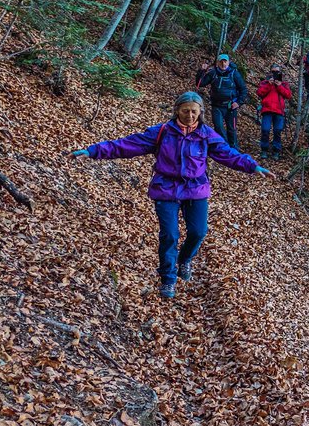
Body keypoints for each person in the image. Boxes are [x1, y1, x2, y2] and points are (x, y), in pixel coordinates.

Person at [68, 92, 275, 298]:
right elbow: (128, 144)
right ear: (177, 110)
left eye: (194, 112)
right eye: (186, 111)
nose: (190, 115)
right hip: (166, 188)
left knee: (199, 232)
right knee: (170, 235)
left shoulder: (206, 135)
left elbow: (229, 154)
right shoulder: (163, 132)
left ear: (200, 112)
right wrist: (93, 151)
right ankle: (168, 278)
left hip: (195, 189)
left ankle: (184, 260)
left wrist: (253, 166)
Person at [198, 53, 247, 148]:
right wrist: (202, 71)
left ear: (228, 62)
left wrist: (238, 102)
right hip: (216, 106)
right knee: (218, 127)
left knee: (231, 129)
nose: (223, 64)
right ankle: (225, 147)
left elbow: (243, 90)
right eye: (221, 62)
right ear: (217, 63)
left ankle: (234, 149)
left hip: (231, 106)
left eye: (225, 61)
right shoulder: (213, 73)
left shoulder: (234, 74)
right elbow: (200, 83)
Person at [257, 64, 292, 160]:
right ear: (270, 72)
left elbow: (288, 95)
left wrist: (279, 86)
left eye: (277, 72)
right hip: (267, 110)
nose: (275, 73)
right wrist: (269, 84)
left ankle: (276, 151)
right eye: (273, 71)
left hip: (279, 111)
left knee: (277, 131)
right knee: (265, 130)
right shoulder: (265, 82)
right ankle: (264, 149)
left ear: (280, 73)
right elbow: (260, 93)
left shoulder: (284, 84)